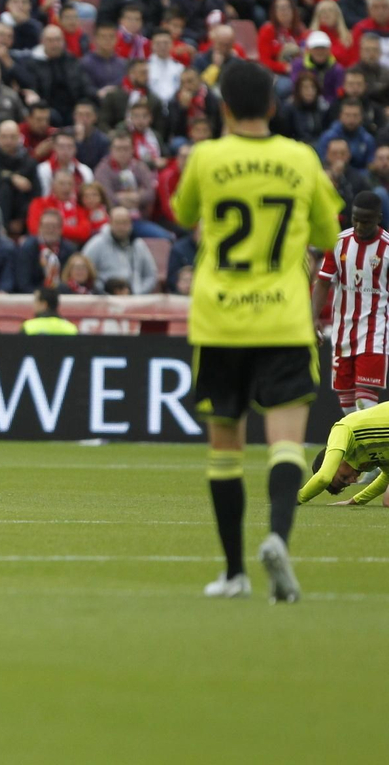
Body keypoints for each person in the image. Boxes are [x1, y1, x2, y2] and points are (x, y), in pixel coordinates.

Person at [173, 59, 341, 602]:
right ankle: (277, 538)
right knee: (286, 443)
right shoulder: (300, 158)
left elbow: (182, 214)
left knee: (226, 447)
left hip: (220, 318)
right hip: (284, 317)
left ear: (223, 107)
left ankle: (233, 573)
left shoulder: (206, 157)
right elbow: (327, 232)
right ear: (273, 106)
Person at [312, 191, 389, 415]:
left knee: (365, 402)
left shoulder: (386, 249)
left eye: (365, 221)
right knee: (347, 406)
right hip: (343, 332)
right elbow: (323, 283)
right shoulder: (338, 243)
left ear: (378, 218)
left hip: (376, 334)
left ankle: (368, 447)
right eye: (355, 219)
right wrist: (313, 317)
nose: (359, 225)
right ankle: (361, 447)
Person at [298, 401, 389, 507]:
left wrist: (296, 498)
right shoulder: (366, 457)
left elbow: (323, 478)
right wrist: (356, 501)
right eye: (348, 482)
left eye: (344, 477)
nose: (354, 480)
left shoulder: (342, 429)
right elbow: (387, 476)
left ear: (336, 462)